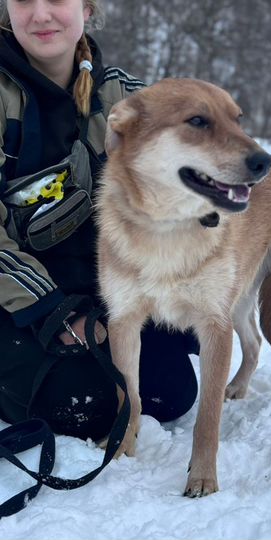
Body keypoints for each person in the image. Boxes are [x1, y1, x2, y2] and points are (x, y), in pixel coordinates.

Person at [0, 0, 199, 444]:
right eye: (23, 0)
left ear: (86, 8)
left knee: (170, 393)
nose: (40, 14)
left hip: (99, 290)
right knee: (83, 405)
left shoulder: (127, 97)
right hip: (17, 299)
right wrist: (51, 311)